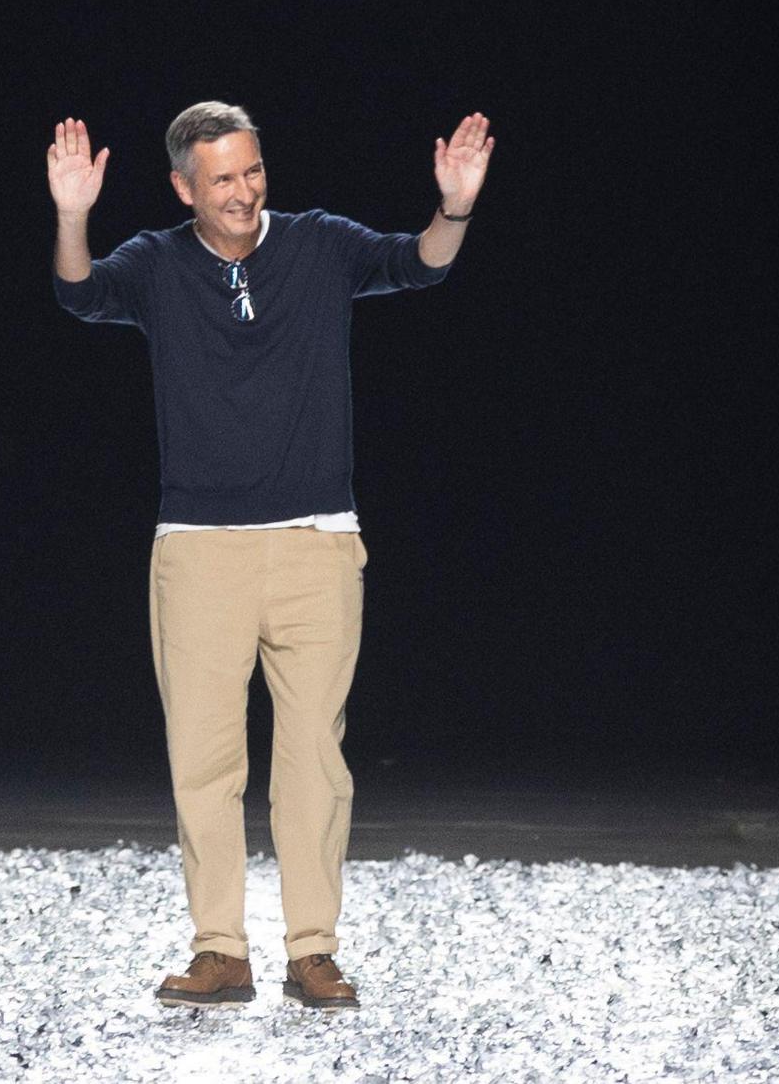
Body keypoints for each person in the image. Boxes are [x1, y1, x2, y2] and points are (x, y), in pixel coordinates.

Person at [46, 101, 493, 1009]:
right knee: (203, 763)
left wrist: (454, 208)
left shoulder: (320, 245)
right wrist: (70, 215)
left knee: (313, 761)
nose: (244, 191)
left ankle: (313, 950)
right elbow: (80, 293)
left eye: (252, 171)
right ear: (184, 187)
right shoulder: (158, 262)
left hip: (315, 543)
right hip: (199, 551)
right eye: (222, 179)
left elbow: (416, 267)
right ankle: (221, 950)